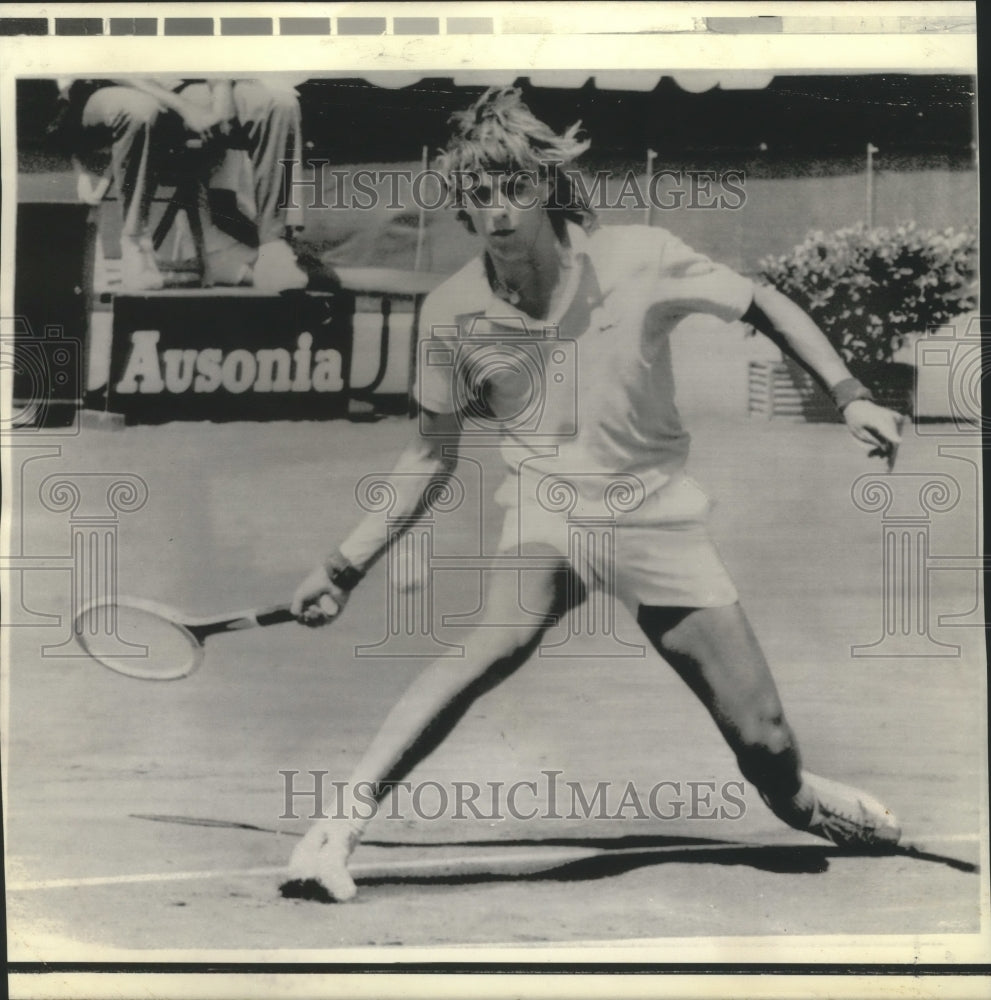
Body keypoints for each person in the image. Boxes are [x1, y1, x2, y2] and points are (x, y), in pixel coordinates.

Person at [282, 87, 904, 903]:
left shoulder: (639, 258)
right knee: (492, 642)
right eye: (479, 194)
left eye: (515, 187)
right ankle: (335, 827)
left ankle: (803, 798)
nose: (499, 211)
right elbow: (429, 457)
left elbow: (766, 304)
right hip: (550, 508)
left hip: (654, 512)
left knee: (767, 749)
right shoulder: (452, 313)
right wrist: (343, 567)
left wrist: (849, 392)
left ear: (547, 185)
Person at [65, 77, 307, 291]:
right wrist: (184, 107)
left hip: (185, 87)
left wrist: (221, 95)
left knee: (279, 104)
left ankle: (274, 248)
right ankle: (135, 243)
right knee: (141, 111)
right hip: (107, 87)